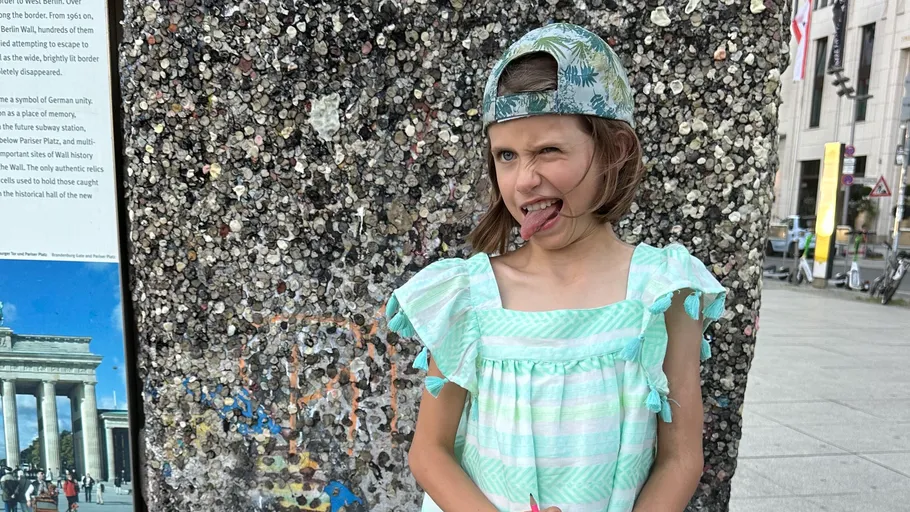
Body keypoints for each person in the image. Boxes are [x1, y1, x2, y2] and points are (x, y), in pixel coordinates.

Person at [386, 23, 726, 512]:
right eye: (506, 155)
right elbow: (429, 454)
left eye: (548, 150)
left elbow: (680, 459)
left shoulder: (662, 294)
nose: (524, 180)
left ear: (615, 151)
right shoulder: (469, 298)